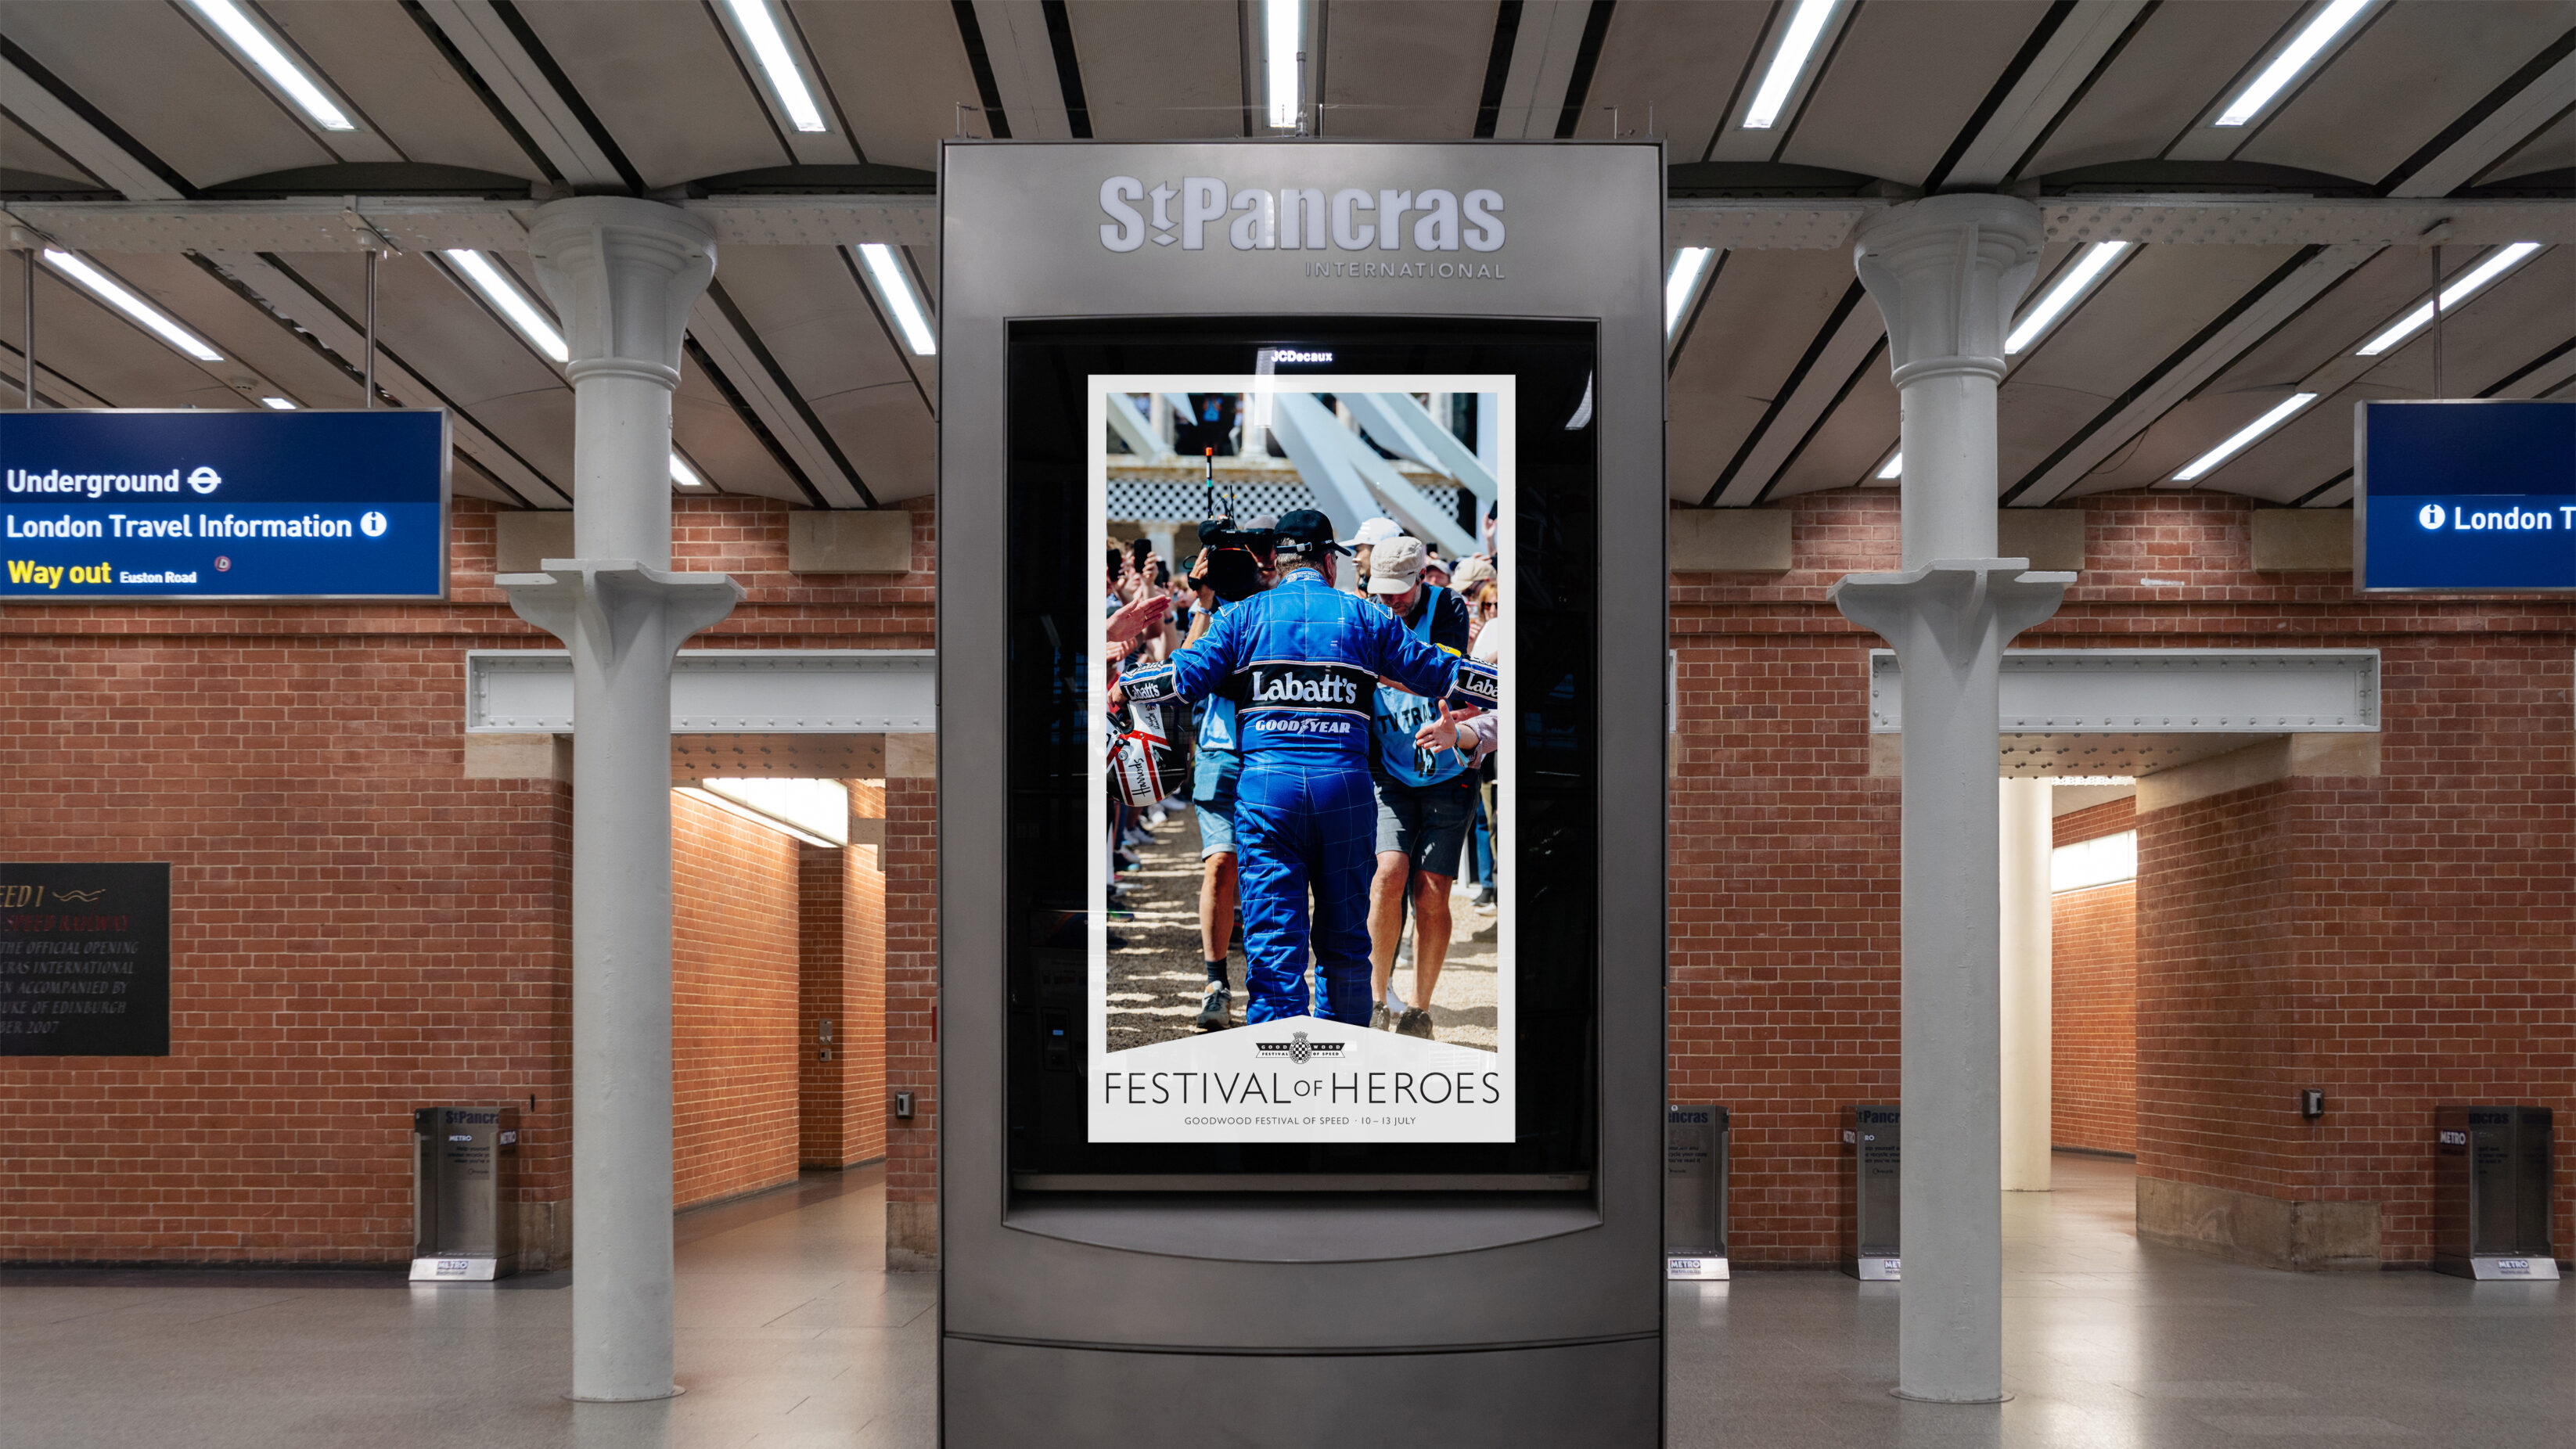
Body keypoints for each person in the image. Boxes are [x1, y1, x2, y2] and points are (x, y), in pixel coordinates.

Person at [1150, 510, 1468, 1027]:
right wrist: (1503, 687)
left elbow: (1182, 678)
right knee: (1345, 947)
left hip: (1268, 793)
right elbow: (1442, 672)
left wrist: (1121, 688)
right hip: (1344, 792)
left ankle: (1282, 1075)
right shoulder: (1366, 616)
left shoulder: (1243, 616)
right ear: (1328, 560)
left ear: (1275, 559)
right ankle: (1341, 1063)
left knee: (1275, 951)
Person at [1358, 536, 1478, 1037]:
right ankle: (1376, 997)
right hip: (1389, 769)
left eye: (1400, 594)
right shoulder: (1366, 611)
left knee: (1432, 894)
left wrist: (1380, 672)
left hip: (1449, 773)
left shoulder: (1447, 605)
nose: (1391, 604)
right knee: (1389, 874)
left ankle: (1419, 1009)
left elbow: (1442, 676)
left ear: (1421, 577)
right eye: (1382, 595)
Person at [1179, 534, 1273, 1030]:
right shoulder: (1213, 609)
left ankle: (1269, 986)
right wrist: (1204, 600)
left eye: (1261, 552)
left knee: (1271, 873)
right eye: (1241, 553)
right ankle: (1216, 984)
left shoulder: (1279, 601)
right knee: (1221, 865)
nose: (1253, 561)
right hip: (1221, 749)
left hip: (1272, 751)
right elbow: (1183, 675)